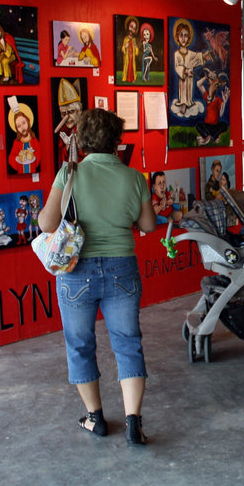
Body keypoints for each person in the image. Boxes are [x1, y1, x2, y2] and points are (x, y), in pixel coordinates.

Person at [40, 108, 157, 445]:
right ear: (118, 140)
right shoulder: (135, 178)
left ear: (82, 139)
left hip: (77, 272)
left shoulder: (70, 174)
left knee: (80, 345)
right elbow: (148, 226)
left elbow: (48, 224)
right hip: (122, 267)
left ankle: (95, 418)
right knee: (127, 343)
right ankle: (133, 420)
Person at [121, 16, 140, 83]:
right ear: (128, 26)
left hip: (132, 57)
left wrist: (135, 47)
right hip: (127, 56)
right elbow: (122, 48)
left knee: (132, 68)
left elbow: (137, 51)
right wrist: (125, 46)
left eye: (134, 28)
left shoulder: (134, 40)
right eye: (131, 27)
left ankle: (133, 79)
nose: (132, 29)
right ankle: (126, 78)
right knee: (127, 67)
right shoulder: (126, 39)